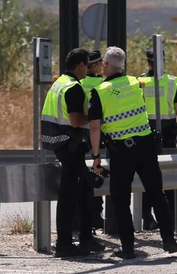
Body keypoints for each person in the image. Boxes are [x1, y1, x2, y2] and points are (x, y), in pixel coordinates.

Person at [87, 46, 177, 259]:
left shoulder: (99, 91)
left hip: (121, 151)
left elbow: (94, 127)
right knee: (157, 193)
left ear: (106, 65)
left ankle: (128, 248)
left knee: (120, 199)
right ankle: (169, 239)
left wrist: (95, 156)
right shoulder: (135, 83)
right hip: (146, 146)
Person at [41, 48, 103, 258]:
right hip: (69, 145)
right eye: (87, 65)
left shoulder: (59, 83)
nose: (87, 69)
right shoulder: (73, 87)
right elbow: (76, 120)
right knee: (68, 196)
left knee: (85, 190)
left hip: (58, 142)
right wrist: (95, 119)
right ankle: (65, 244)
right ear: (81, 66)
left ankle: (86, 238)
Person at [139, 44, 177, 231]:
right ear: (163, 61)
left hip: (144, 134)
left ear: (148, 62)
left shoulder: (138, 82)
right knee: (169, 175)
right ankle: (170, 217)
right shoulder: (172, 82)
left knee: (147, 175)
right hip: (168, 135)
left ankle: (147, 217)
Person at [80, 49, 105, 232]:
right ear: (95, 64)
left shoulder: (79, 83)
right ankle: (97, 215)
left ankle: (84, 217)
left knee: (83, 176)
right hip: (100, 135)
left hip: (81, 134)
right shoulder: (103, 84)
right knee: (98, 174)